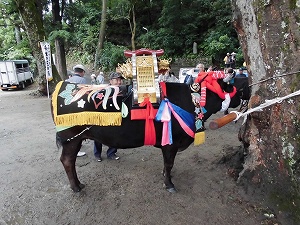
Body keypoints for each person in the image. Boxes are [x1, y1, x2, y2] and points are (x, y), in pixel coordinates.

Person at [93, 71, 123, 161]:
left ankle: (111, 153)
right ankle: (97, 154)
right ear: (110, 81)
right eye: (116, 80)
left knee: (114, 135)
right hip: (102, 116)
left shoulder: (122, 90)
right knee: (98, 135)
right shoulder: (103, 90)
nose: (119, 82)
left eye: (120, 80)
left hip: (116, 117)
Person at [66, 64, 87, 157]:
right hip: (78, 108)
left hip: (68, 108)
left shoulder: (67, 81)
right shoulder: (82, 80)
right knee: (78, 130)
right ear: (82, 72)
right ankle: (76, 149)